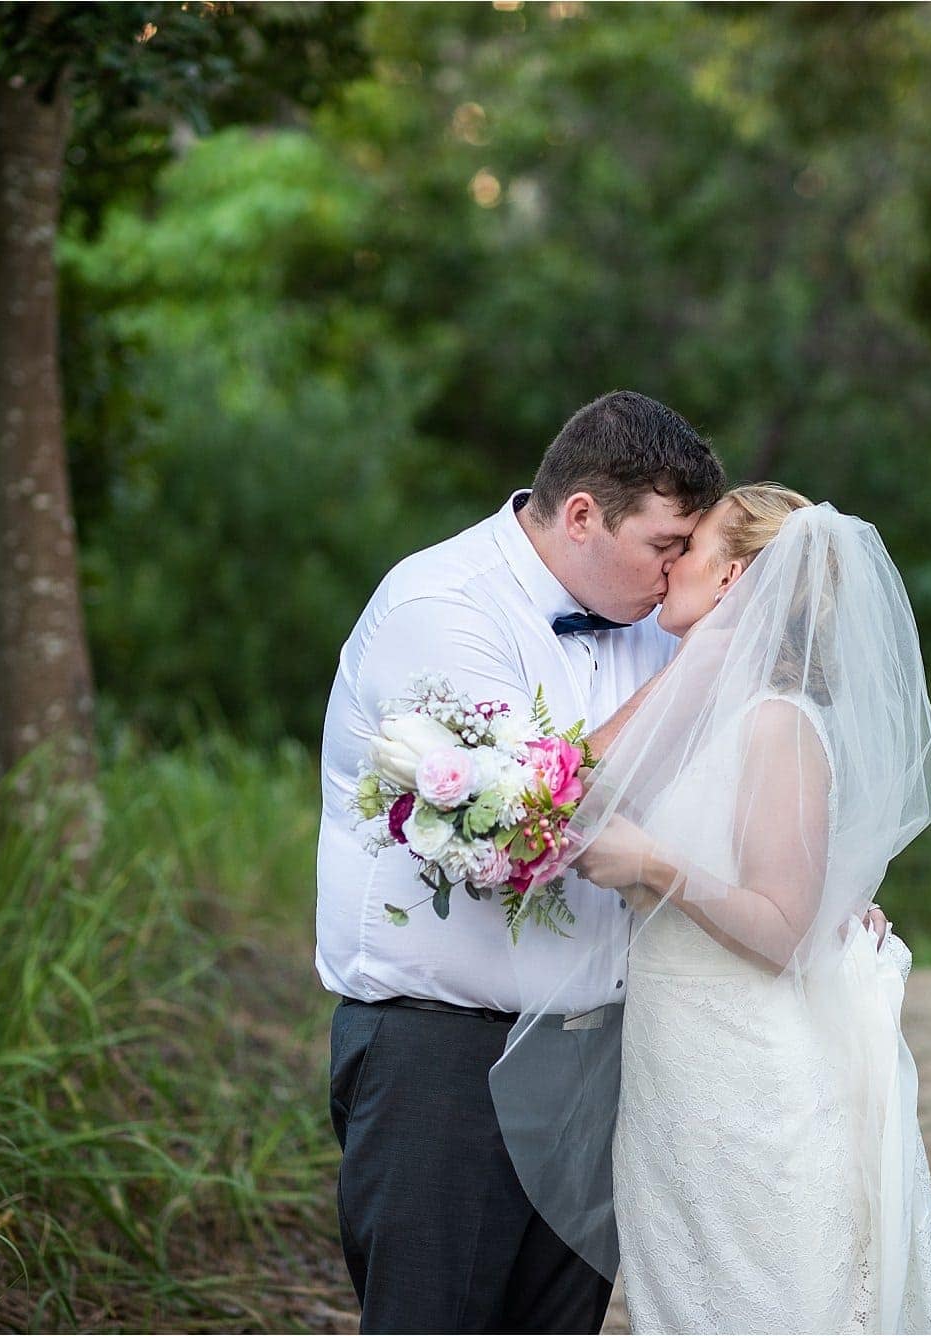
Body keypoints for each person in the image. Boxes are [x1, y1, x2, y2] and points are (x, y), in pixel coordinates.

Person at [501, 483, 931, 1333]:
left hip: (750, 1072)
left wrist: (653, 863)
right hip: (674, 1068)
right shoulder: (702, 715)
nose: (669, 562)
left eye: (691, 548)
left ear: (732, 580)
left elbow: (782, 928)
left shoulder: (775, 721)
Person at [315, 390, 726, 1333]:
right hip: (443, 1056)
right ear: (583, 515)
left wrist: (819, 900)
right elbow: (527, 822)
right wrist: (696, 675)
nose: (674, 578)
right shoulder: (441, 606)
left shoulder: (651, 627)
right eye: (666, 546)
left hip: (596, 1058)